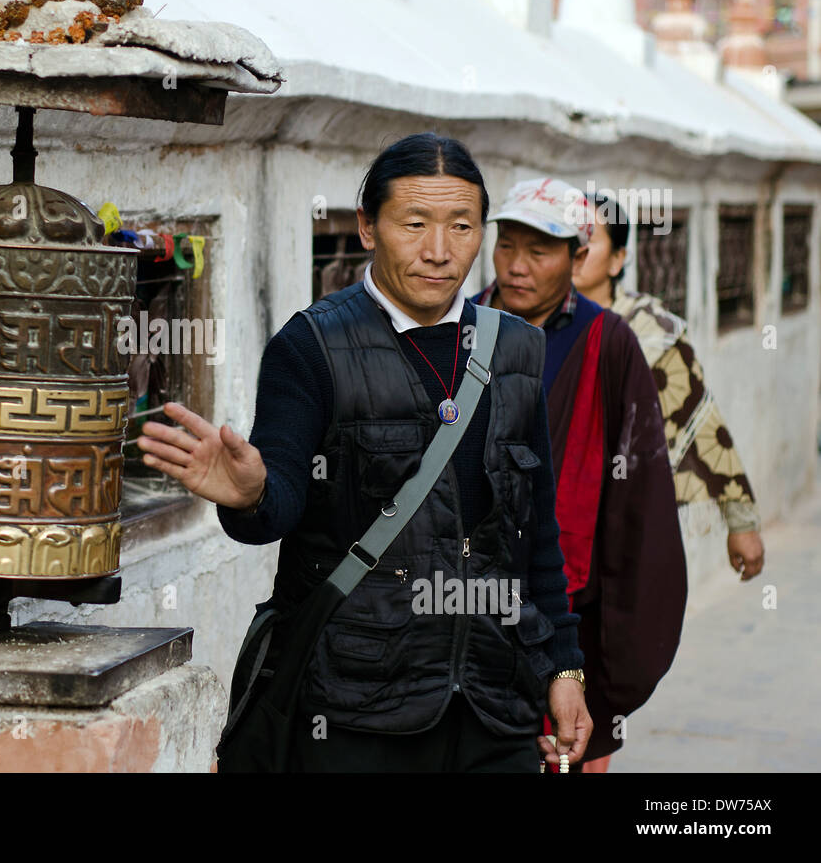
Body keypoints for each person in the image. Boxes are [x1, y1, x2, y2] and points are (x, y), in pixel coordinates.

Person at [137, 133, 591, 772]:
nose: (440, 251)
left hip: (494, 702)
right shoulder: (313, 346)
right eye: (414, 224)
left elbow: (536, 531)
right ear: (368, 228)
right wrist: (253, 494)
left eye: (461, 226)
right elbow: (284, 493)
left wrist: (562, 666)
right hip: (354, 705)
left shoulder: (517, 349)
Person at [474, 177, 687, 772]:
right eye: (506, 246)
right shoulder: (459, 328)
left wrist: (619, 640)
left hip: (566, 605)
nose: (517, 267)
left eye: (539, 251)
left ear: (579, 254)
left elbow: (637, 492)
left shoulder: (607, 341)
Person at [573, 192, 766, 584]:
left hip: (628, 514)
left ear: (617, 260)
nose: (573, 250)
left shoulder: (652, 332)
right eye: (565, 237)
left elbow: (701, 419)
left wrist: (741, 522)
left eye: (587, 240)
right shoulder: (521, 323)